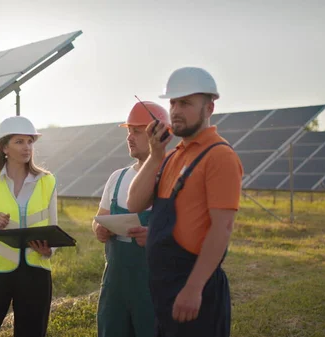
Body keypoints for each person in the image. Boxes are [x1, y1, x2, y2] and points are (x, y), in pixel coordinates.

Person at [127, 67, 244, 337]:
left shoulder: (219, 156)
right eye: (173, 102)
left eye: (186, 103)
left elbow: (222, 228)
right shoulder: (172, 157)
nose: (176, 110)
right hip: (165, 290)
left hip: (195, 292)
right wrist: (156, 155)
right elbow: (134, 203)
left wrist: (194, 288)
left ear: (209, 107)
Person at [0, 115, 58, 337]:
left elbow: (54, 229)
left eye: (30, 142)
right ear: (4, 147)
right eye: (19, 141)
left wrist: (49, 250)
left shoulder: (48, 181)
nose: (27, 147)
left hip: (36, 273)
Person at [92, 101, 171, 337]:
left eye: (137, 131)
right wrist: (99, 229)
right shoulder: (117, 178)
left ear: (159, 133)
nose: (130, 137)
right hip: (115, 285)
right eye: (129, 131)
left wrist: (155, 236)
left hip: (153, 286)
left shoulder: (172, 176)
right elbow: (99, 218)